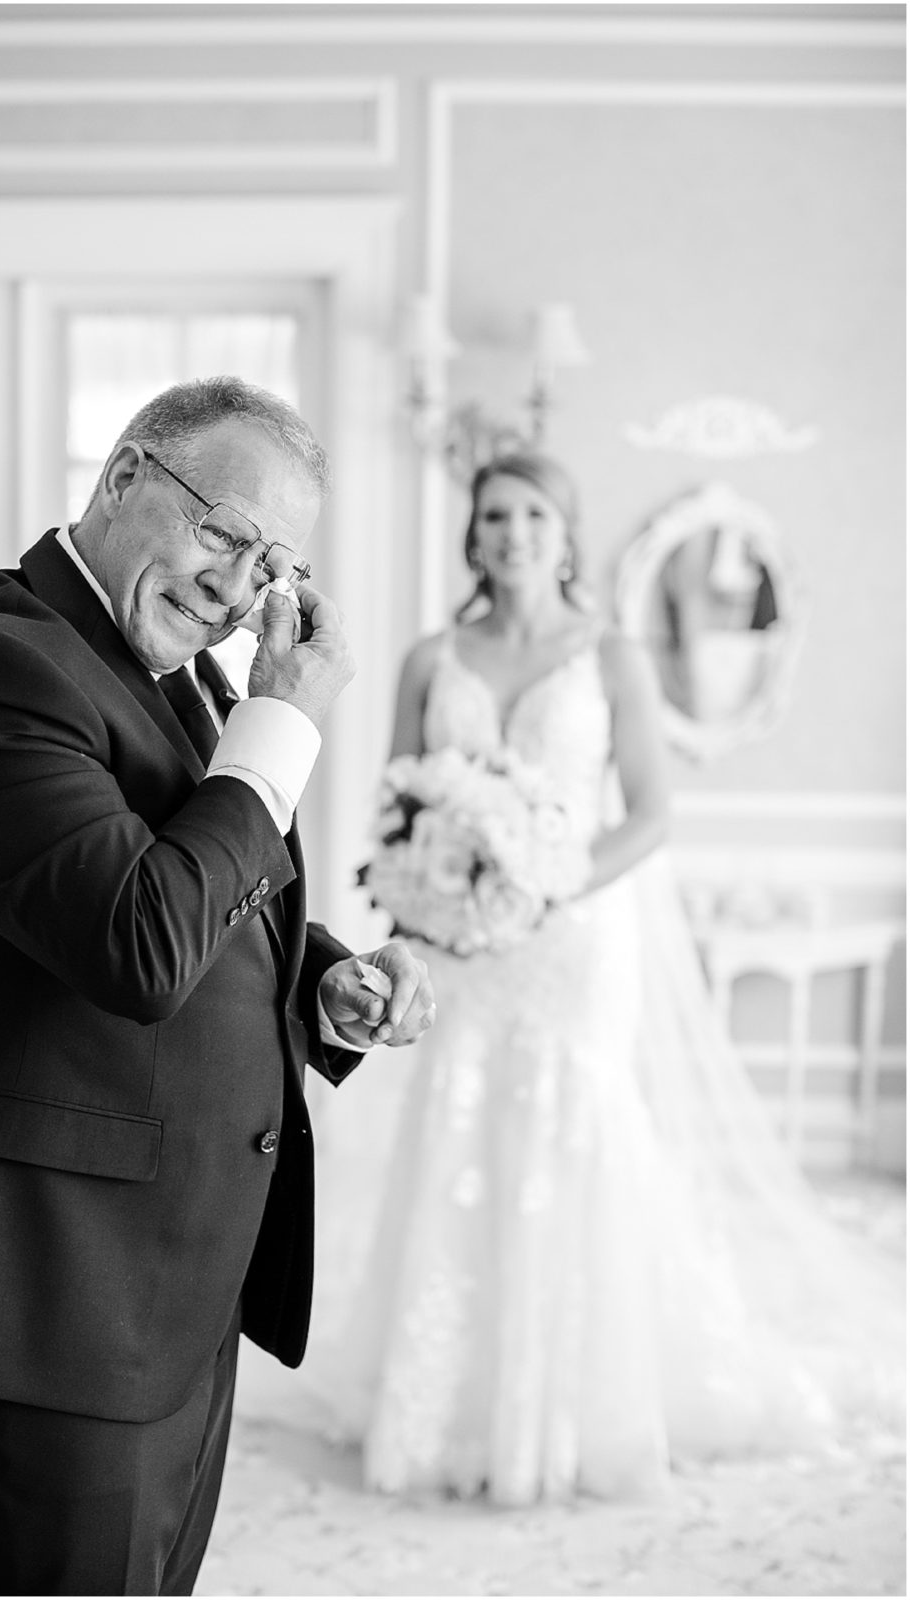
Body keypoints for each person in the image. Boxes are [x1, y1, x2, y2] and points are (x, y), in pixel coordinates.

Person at [0, 375, 436, 1596]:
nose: (237, 591)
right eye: (223, 534)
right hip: (50, 1302)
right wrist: (282, 726)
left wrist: (319, 981)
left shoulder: (170, 670)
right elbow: (136, 939)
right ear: (127, 476)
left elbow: (178, 889)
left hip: (170, 1284)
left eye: (269, 562)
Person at [303, 449, 903, 1509]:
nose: (512, 531)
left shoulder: (611, 655)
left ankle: (570, 1408)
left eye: (533, 513)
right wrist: (423, 904)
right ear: (472, 533)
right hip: (457, 944)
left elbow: (652, 815)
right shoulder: (430, 657)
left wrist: (543, 883)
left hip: (571, 940)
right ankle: (446, 1399)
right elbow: (395, 802)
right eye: (493, 514)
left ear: (564, 532)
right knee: (455, 1127)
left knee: (571, 1130)